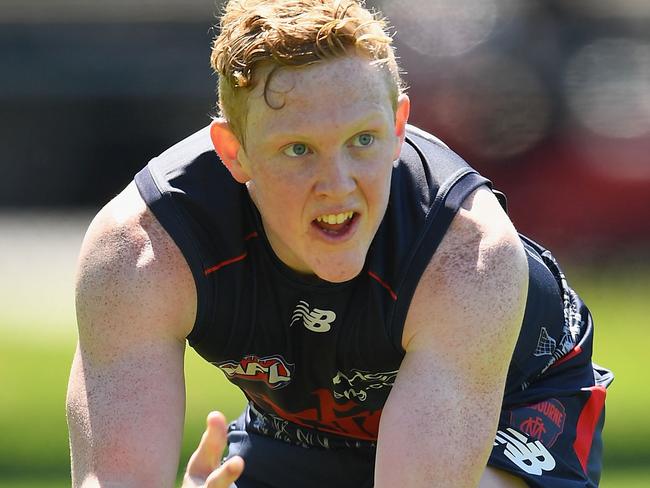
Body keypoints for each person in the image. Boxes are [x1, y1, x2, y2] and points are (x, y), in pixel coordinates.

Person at [66, 0, 613, 486]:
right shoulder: (143, 251)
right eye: (298, 149)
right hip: (300, 428)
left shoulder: (465, 255)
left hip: (509, 410)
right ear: (234, 151)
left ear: (400, 125)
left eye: (363, 140)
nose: (338, 184)